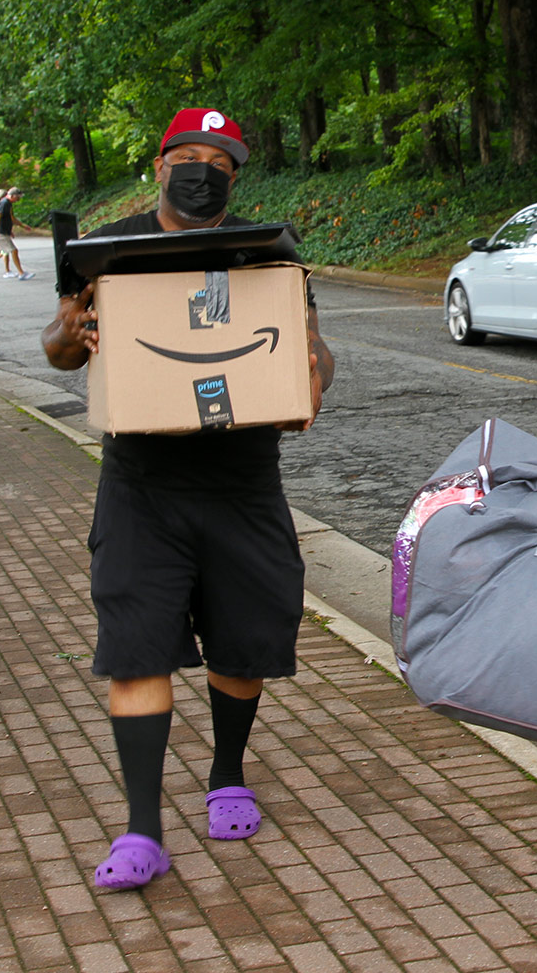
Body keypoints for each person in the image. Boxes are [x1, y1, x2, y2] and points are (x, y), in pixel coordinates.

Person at [40, 107, 336, 891]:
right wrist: (78, 329)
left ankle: (227, 773)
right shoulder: (110, 249)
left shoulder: (265, 250)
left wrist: (311, 371)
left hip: (243, 482)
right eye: (188, 155)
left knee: (245, 647)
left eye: (220, 160)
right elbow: (59, 345)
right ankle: (142, 831)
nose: (202, 169)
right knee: (136, 649)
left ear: (236, 177)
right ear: (161, 164)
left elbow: (311, 343)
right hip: (144, 486)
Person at [0, 187, 31, 281]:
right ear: (12, 196)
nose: (18, 199)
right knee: (14, 250)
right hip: (1, 233)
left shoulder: (8, 204)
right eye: (18, 197)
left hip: (2, 232)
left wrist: (23, 226)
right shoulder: (4, 203)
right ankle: (21, 273)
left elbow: (12, 218)